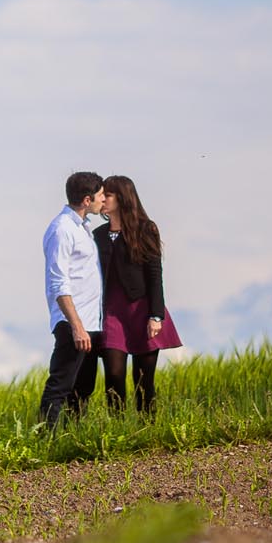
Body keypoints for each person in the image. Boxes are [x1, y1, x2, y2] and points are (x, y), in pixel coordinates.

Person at [95, 174, 183, 414]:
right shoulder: (98, 235)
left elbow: (155, 274)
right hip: (111, 314)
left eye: (107, 195)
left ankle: (147, 427)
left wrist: (156, 315)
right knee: (113, 375)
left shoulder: (146, 229)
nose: (102, 199)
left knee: (143, 379)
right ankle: (117, 429)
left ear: (122, 198)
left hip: (142, 310)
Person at [39, 171, 108, 425]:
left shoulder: (83, 227)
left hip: (89, 322)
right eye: (101, 195)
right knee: (60, 385)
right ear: (87, 200)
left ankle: (72, 437)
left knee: (83, 388)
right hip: (73, 322)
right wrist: (77, 326)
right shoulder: (62, 229)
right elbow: (58, 282)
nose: (104, 200)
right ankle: (45, 439)